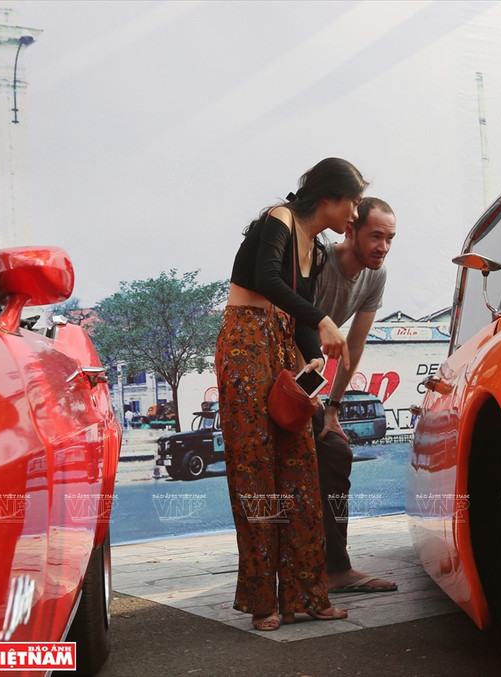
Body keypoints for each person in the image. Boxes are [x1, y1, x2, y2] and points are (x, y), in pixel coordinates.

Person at [215, 157, 365, 631]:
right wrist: (322, 321)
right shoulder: (279, 218)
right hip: (244, 341)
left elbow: (298, 316)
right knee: (256, 470)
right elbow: (266, 280)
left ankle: (307, 594)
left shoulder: (317, 252)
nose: (355, 215)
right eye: (353, 203)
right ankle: (263, 602)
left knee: (300, 467)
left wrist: (311, 358)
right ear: (328, 198)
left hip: (281, 343)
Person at [313, 197, 398, 593]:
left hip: (311, 384)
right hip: (281, 371)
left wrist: (332, 408)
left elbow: (355, 345)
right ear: (351, 230)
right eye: (376, 235)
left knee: (336, 451)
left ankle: (335, 567)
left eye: (390, 238)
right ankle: (308, 570)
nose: (383, 246)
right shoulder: (318, 261)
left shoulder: (375, 277)